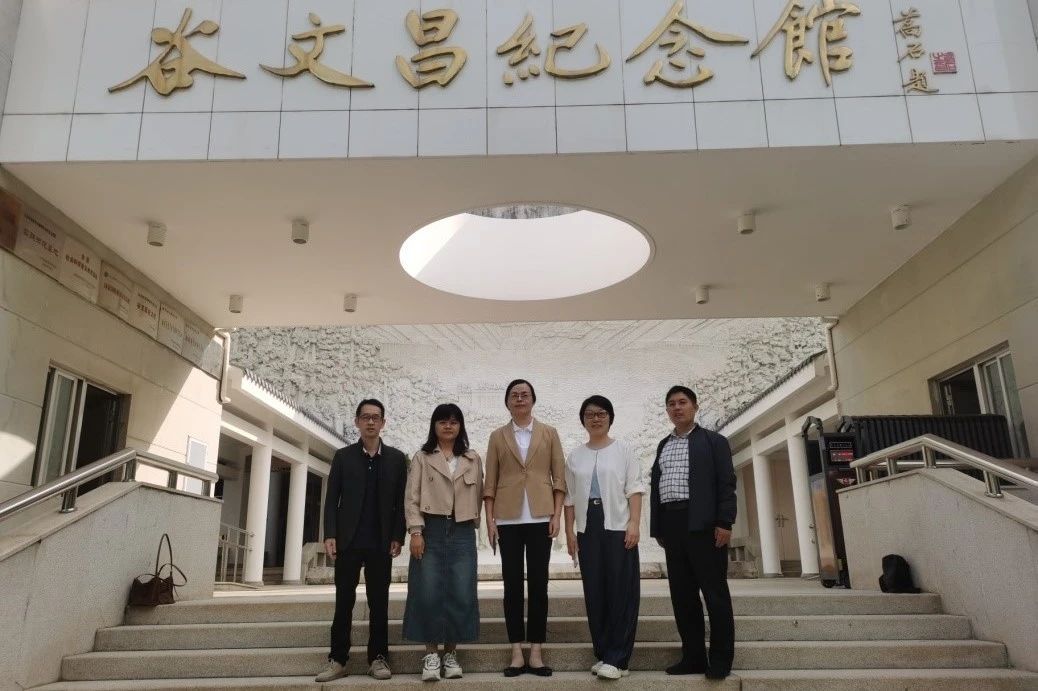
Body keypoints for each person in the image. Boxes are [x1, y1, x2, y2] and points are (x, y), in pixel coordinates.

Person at [316, 399, 408, 682]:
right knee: (343, 601)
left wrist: (398, 535)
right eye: (365, 417)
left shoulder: (396, 459)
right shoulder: (343, 457)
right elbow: (332, 499)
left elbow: (402, 502)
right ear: (357, 422)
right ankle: (338, 659)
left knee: (379, 602)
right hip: (348, 541)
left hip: (381, 542)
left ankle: (378, 658)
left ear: (383, 423)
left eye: (375, 417)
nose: (370, 422)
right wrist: (330, 534)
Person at [649, 386, 737, 679]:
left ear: (695, 407)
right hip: (672, 526)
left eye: (682, 402)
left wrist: (725, 522)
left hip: (705, 525)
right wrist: (658, 527)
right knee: (683, 596)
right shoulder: (663, 445)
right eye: (671, 404)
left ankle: (721, 659)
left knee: (715, 595)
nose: (677, 408)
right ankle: (693, 657)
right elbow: (657, 487)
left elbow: (726, 483)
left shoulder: (714, 441)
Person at [483, 379, 567, 677]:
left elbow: (559, 477)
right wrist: (490, 520)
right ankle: (516, 651)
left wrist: (556, 515)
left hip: (541, 516)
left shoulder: (549, 433)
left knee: (539, 584)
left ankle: (536, 651)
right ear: (507, 402)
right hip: (507, 518)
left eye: (525, 394)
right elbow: (490, 482)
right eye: (514, 395)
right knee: (512, 584)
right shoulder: (497, 436)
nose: (520, 399)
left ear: (533, 400)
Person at [564, 395, 645, 680]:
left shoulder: (624, 450)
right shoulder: (575, 456)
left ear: (610, 417)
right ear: (583, 420)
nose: (595, 418)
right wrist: (570, 532)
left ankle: (618, 658)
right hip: (588, 527)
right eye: (589, 414)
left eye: (601, 413)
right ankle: (603, 653)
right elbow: (570, 498)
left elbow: (634, 489)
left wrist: (634, 523)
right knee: (595, 590)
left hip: (618, 524)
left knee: (621, 589)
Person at [402, 403, 484, 682]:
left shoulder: (472, 458)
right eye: (442, 421)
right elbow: (412, 497)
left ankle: (450, 654)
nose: (448, 426)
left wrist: (474, 524)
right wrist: (416, 531)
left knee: (461, 591)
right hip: (431, 528)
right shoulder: (422, 457)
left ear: (460, 426)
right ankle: (431, 655)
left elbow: (479, 495)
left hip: (462, 530)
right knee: (427, 591)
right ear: (434, 426)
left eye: (453, 421)